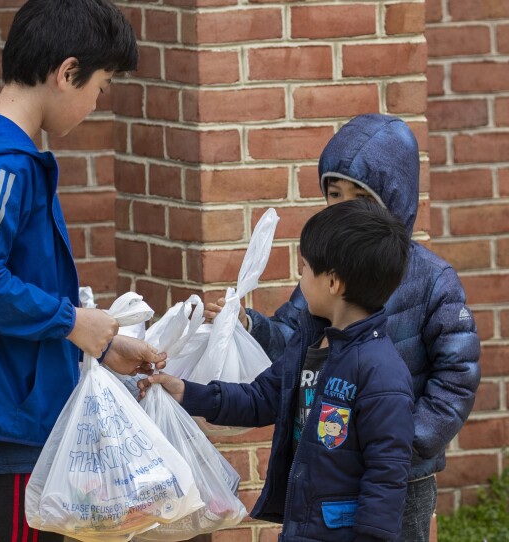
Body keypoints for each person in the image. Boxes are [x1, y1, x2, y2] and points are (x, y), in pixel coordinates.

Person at [0, 1, 164, 540]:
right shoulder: (5, 163)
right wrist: (71, 321)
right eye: (100, 87)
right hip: (8, 421)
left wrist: (99, 344)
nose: (98, 102)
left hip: (5, 413)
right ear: (67, 73)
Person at [206, 113, 481, 541]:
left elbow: (457, 379)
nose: (347, 206)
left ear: (396, 199)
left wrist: (401, 443)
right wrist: (247, 323)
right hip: (330, 470)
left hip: (400, 478)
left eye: (363, 195)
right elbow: (290, 348)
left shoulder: (433, 280)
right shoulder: (322, 278)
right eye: (336, 194)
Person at [144, 198, 416, 542]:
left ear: (333, 283)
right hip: (302, 523)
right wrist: (188, 393)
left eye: (305, 268)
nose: (300, 278)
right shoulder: (308, 345)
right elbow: (260, 398)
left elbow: (387, 475)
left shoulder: (381, 371)